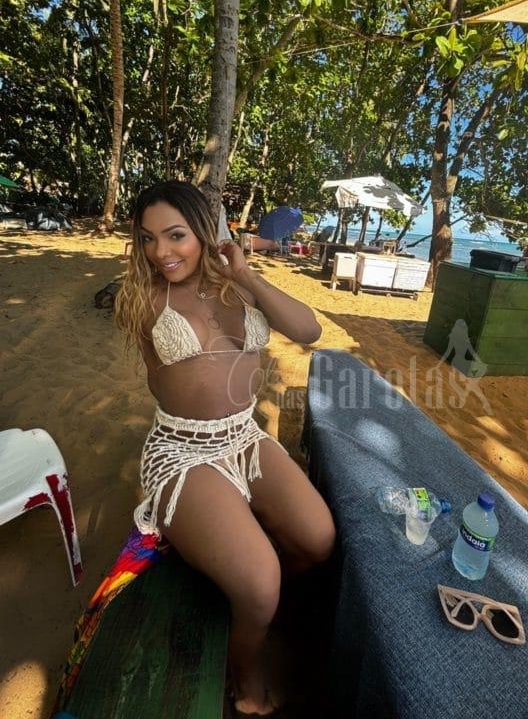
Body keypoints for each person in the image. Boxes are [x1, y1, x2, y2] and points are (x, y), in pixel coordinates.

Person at [114, 181, 335, 716]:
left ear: (204, 233)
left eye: (175, 235)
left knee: (319, 539)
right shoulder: (145, 297)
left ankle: (255, 606)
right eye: (147, 238)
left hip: (244, 436)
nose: (160, 252)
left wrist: (245, 273)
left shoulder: (239, 286)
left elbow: (309, 331)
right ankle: (245, 673)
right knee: (260, 582)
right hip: (182, 449)